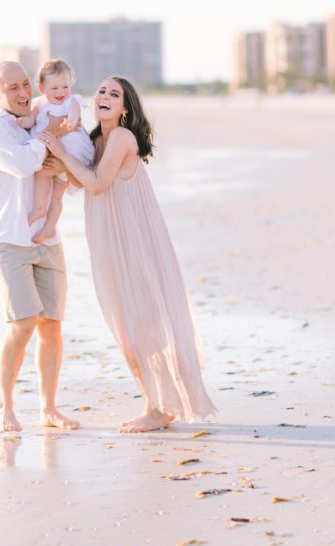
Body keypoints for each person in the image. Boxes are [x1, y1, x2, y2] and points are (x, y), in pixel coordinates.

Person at [39, 76, 216, 433]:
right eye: (101, 90)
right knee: (124, 324)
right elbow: (82, 179)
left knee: (142, 323)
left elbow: (98, 183)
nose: (104, 95)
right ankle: (157, 405)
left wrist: (60, 154)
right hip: (108, 239)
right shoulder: (94, 141)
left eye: (114, 94)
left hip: (133, 240)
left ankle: (159, 408)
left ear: (125, 108)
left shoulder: (121, 137)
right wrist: (60, 164)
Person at [0, 60, 80, 434]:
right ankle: (3, 405)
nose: (20, 94)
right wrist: (47, 136)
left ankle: (49, 408)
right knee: (22, 323)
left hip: (46, 238)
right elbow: (23, 165)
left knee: (52, 324)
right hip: (7, 240)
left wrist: (49, 139)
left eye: (24, 85)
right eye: (11, 88)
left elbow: (62, 161)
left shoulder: (36, 120)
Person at [15, 59, 95, 246]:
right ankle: (50, 226)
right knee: (57, 191)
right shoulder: (39, 104)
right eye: (55, 88)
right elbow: (29, 120)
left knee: (45, 175)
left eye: (65, 86)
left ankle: (40, 209)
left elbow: (74, 114)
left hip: (72, 152)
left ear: (70, 84)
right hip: (55, 151)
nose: (61, 92)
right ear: (42, 89)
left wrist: (71, 120)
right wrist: (21, 122)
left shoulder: (72, 100)